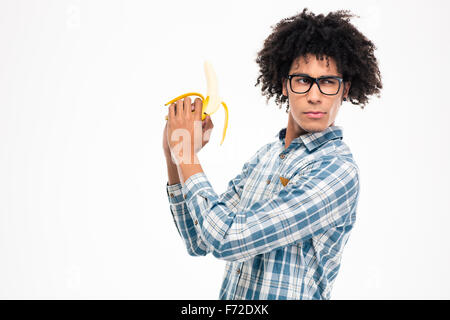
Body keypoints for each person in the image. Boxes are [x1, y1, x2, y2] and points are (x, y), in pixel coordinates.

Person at [162, 8, 382, 300]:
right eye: (303, 80)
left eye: (328, 82)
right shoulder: (265, 156)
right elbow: (200, 240)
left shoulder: (337, 171)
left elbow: (228, 239)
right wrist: (173, 157)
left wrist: (187, 154)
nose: (315, 95)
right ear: (284, 84)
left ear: (345, 89)